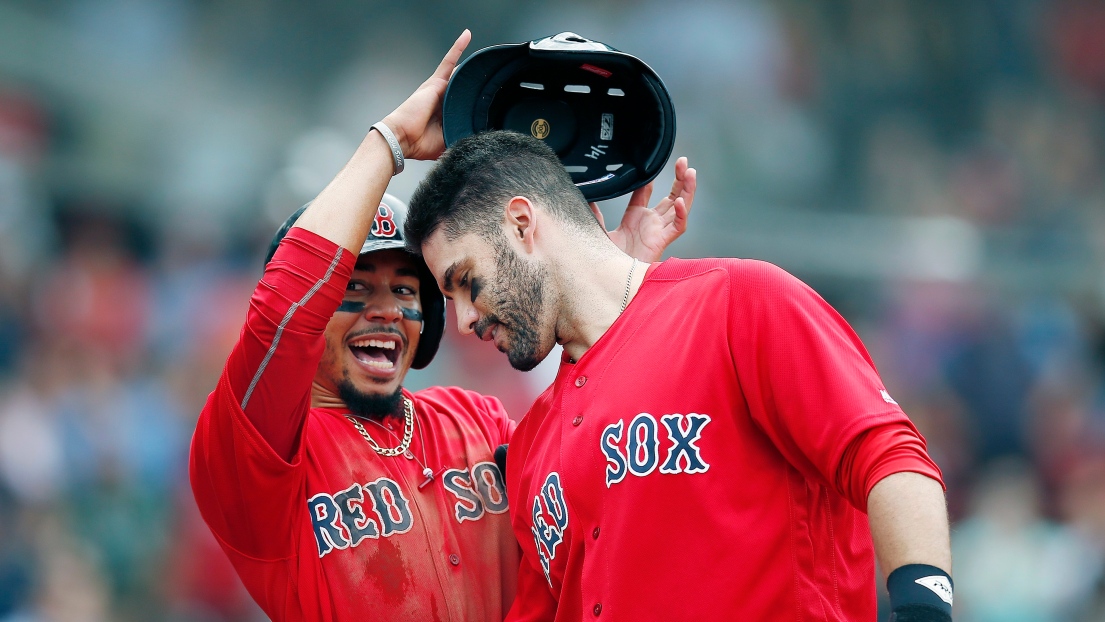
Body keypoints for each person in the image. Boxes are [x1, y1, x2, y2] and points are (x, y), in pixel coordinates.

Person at [188, 31, 695, 622]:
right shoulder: (259, 454)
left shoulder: (475, 419)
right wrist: (392, 144)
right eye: (354, 287)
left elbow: (590, 456)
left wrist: (602, 300)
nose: (384, 309)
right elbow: (282, 311)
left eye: (405, 290)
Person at [404, 130, 955, 621]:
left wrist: (924, 608)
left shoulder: (737, 303)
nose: (465, 319)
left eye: (465, 281)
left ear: (522, 224)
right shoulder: (530, 447)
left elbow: (892, 459)